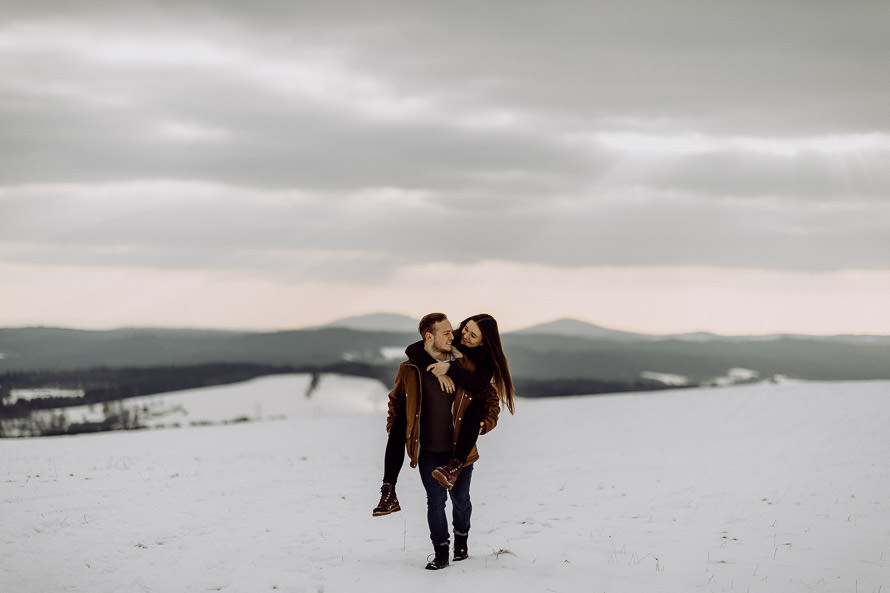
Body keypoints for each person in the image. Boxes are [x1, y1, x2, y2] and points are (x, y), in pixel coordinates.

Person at [372, 313, 506, 570]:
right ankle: (441, 553)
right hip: (428, 452)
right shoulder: (410, 369)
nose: (454, 335)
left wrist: (485, 424)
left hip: (460, 451)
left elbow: (490, 399)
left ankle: (462, 541)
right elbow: (396, 400)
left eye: (454, 332)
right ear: (429, 337)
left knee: (461, 500)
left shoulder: (466, 366)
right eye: (447, 332)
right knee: (435, 502)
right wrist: (395, 428)